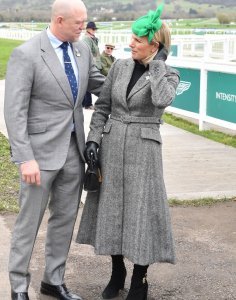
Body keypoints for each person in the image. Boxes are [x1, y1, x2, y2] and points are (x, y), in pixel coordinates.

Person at [76, 4, 180, 300]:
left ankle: (140, 278)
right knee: (113, 211)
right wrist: (94, 140)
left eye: (137, 40)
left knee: (141, 213)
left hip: (144, 151)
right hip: (112, 144)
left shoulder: (169, 74)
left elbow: (161, 100)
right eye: (131, 38)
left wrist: (157, 64)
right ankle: (117, 271)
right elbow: (103, 106)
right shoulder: (120, 66)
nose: (130, 43)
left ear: (154, 45)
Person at [4, 0, 105, 299]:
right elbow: (14, 111)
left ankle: (53, 280)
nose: (84, 27)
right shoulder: (26, 54)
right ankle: (19, 287)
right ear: (59, 20)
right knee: (28, 223)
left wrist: (139, 76)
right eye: (79, 22)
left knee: (64, 219)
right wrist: (25, 158)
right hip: (38, 157)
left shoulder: (82, 49)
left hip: (73, 152)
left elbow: (100, 82)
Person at [82, 21, 102, 110]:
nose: (94, 31)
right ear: (88, 29)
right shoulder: (87, 39)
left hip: (95, 63)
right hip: (90, 64)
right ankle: (87, 104)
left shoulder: (92, 39)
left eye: (95, 29)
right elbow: (88, 52)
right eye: (93, 29)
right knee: (89, 84)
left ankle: (85, 103)